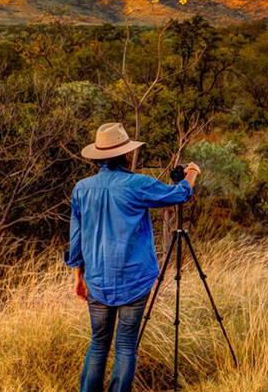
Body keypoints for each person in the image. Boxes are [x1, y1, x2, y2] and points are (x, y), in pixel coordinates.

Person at [67, 122, 199, 392]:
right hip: (134, 279)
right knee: (126, 345)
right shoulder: (137, 184)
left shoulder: (81, 188)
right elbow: (178, 195)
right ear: (126, 154)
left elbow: (76, 238)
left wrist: (77, 276)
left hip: (97, 280)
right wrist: (192, 175)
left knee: (98, 343)